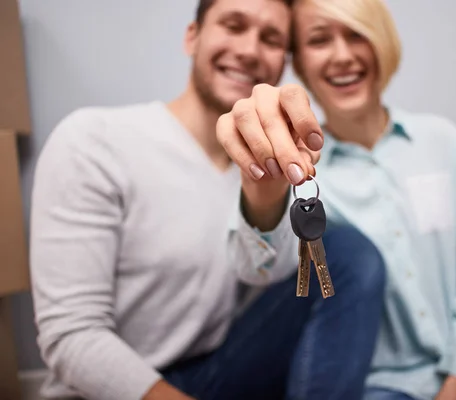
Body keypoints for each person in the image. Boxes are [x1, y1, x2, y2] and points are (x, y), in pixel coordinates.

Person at [216, 0, 456, 399]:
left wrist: (455, 384)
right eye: (319, 40)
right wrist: (265, 186)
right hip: (381, 388)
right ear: (300, 62)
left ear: (381, 42)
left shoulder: (440, 140)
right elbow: (259, 269)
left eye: (356, 34)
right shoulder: (297, 171)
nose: (342, 56)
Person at [28, 0, 388, 399]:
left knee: (346, 251)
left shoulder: (277, 162)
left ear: (282, 63)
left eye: (270, 39)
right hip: (118, 387)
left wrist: (266, 193)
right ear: (192, 36)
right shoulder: (95, 141)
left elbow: (266, 275)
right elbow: (71, 335)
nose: (250, 50)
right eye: (233, 25)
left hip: (216, 371)